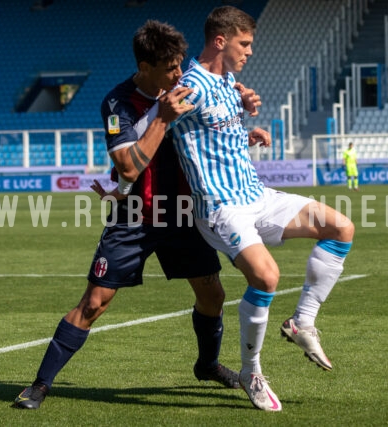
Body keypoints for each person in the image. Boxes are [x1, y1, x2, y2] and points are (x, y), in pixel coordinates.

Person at [13, 19, 254, 410]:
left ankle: (207, 365)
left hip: (182, 213)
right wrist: (162, 117)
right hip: (134, 217)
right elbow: (128, 167)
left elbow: (215, 126)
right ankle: (40, 384)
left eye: (180, 65)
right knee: (93, 303)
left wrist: (244, 121)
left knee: (213, 296)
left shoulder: (186, 89)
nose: (179, 74)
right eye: (170, 68)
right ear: (145, 68)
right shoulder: (117, 103)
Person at [168, 6, 355, 411]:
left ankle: (302, 322)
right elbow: (160, 124)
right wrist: (120, 182)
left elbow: (216, 132)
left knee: (340, 227)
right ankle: (252, 370)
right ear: (221, 41)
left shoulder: (228, 81)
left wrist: (246, 130)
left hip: (257, 196)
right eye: (245, 43)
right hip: (220, 207)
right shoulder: (190, 85)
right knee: (267, 276)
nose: (250, 51)